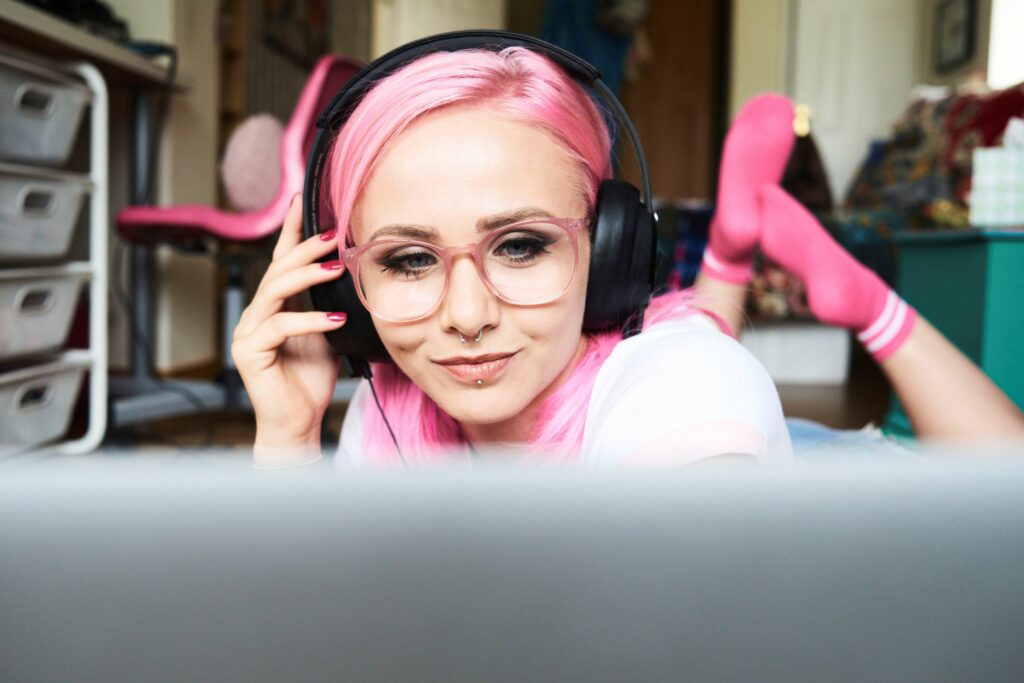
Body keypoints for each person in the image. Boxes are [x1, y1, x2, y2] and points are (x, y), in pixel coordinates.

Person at [231, 38, 1024, 469]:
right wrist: (289, 440)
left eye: (520, 244)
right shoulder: (391, 410)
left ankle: (857, 297)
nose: (466, 318)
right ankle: (732, 249)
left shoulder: (685, 391)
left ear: (614, 247)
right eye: (408, 260)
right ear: (344, 284)